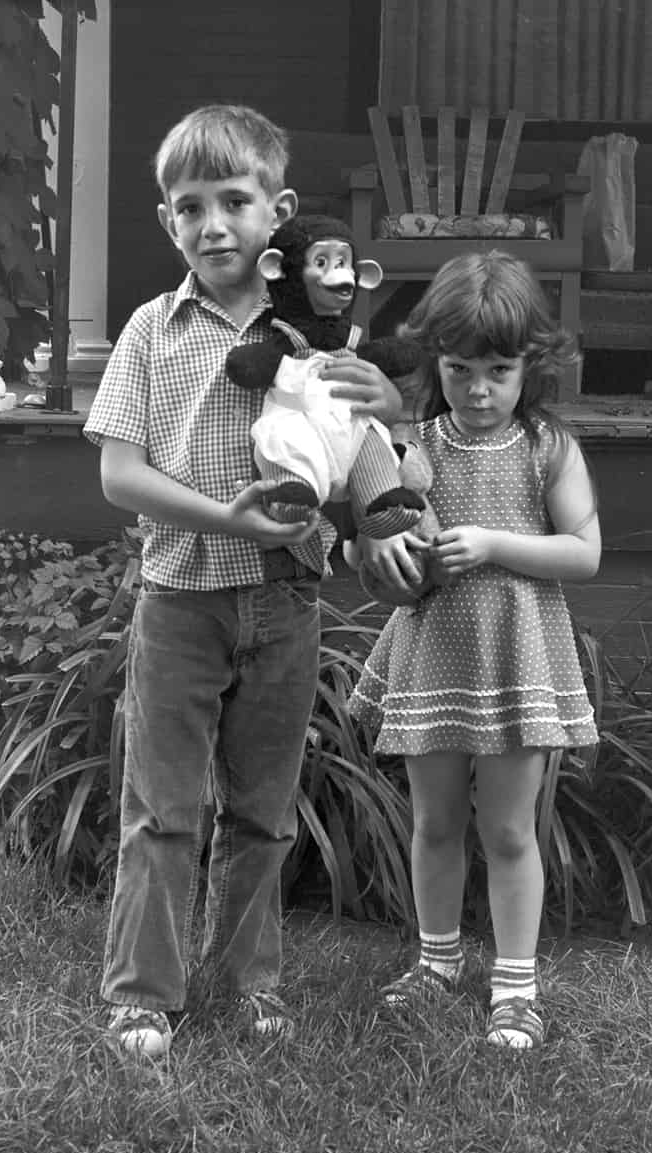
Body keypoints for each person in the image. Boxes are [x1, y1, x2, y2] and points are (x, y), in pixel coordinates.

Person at [83, 104, 405, 1061]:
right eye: (190, 207)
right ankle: (143, 994)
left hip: (287, 600)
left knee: (264, 810)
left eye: (235, 200)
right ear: (167, 222)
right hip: (181, 595)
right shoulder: (152, 331)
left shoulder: (321, 333)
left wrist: (389, 409)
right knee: (163, 808)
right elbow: (119, 473)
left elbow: (368, 449)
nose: (213, 223)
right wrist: (227, 516)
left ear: (281, 216)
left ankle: (249, 982)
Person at [348, 251, 601, 1052]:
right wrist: (376, 554)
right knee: (433, 822)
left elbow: (585, 552)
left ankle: (517, 988)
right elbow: (373, 548)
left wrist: (492, 542)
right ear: (434, 363)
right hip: (432, 655)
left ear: (533, 365)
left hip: (516, 662)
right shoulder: (409, 447)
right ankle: (436, 963)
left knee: (508, 830)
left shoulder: (544, 447)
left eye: (500, 370)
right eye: (460, 370)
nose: (480, 390)